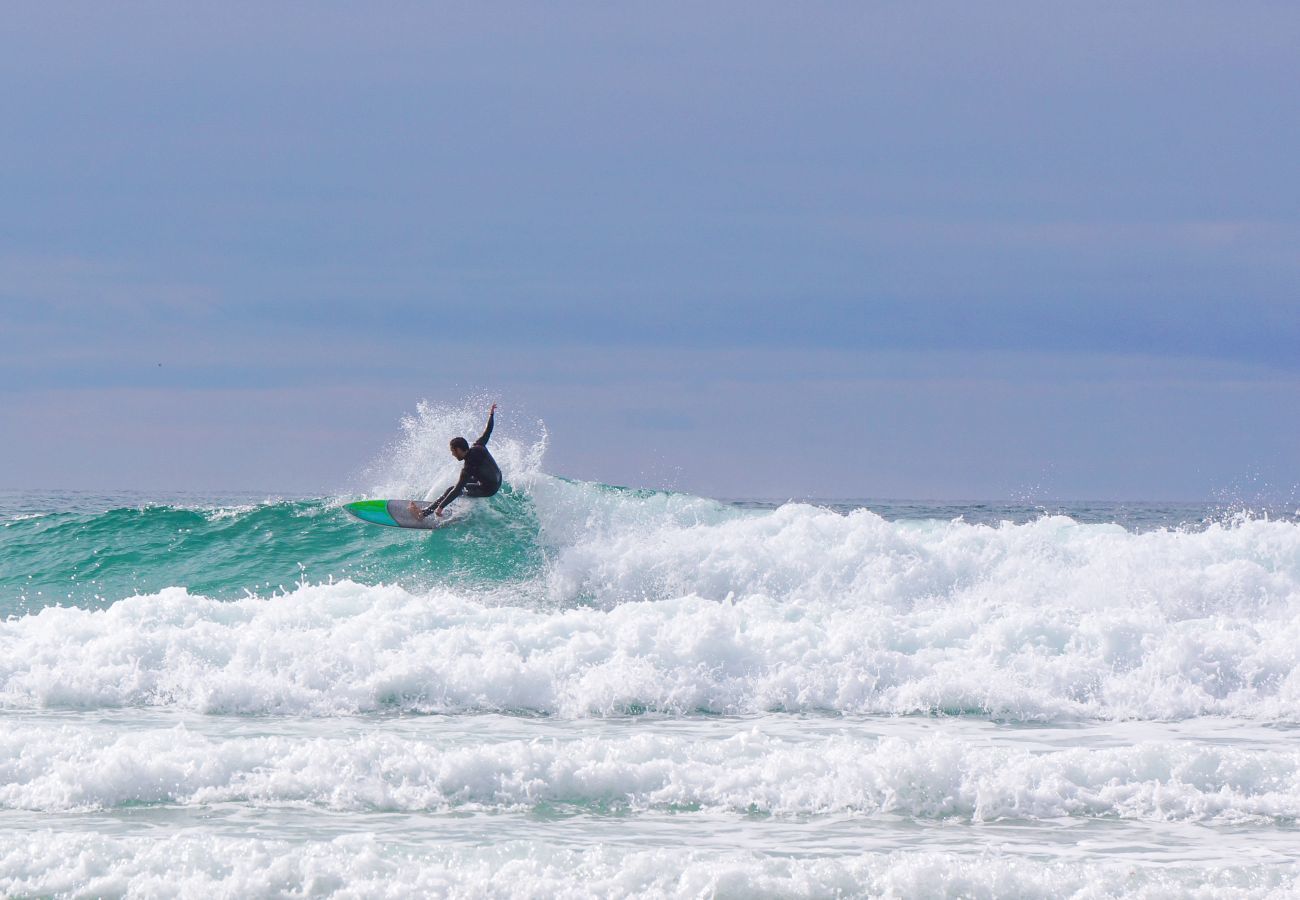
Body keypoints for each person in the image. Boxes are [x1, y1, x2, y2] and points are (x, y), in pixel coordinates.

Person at [413, 403, 502, 520]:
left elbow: (457, 489)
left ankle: (424, 514)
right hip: (497, 478)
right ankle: (446, 505)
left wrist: (441, 507)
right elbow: (488, 431)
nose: (452, 454)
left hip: (489, 489)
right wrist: (491, 414)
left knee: (454, 489)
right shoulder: (478, 445)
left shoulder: (468, 467)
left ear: (459, 449)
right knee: (460, 485)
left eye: (453, 451)